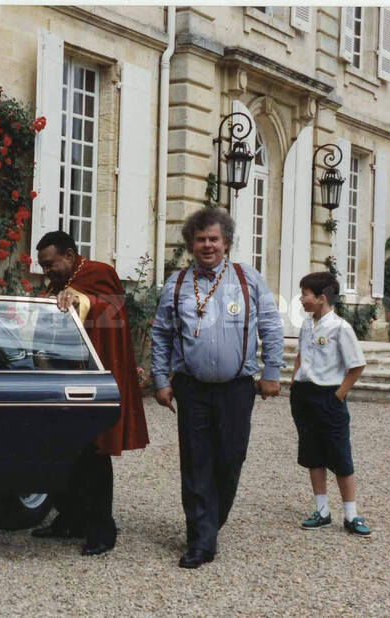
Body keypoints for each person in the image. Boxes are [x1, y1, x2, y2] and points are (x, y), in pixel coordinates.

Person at [151, 207, 284, 569]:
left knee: (229, 459)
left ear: (226, 242)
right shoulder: (176, 283)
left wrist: (271, 372)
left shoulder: (248, 279)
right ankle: (200, 538)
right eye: (200, 239)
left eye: (214, 239)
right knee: (196, 462)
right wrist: (161, 380)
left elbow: (271, 327)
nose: (207, 245)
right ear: (191, 244)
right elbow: (161, 335)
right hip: (191, 387)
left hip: (237, 388)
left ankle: (211, 524)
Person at [31, 230, 149, 556]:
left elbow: (113, 318)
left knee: (94, 457)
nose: (46, 272)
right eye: (42, 266)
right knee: (62, 454)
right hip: (62, 378)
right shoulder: (59, 283)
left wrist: (82, 300)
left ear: (70, 255)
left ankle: (102, 529)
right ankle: (69, 520)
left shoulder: (101, 273)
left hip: (92, 382)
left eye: (50, 264)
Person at [290, 271, 370, 537]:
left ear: (322, 298)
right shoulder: (305, 325)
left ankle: (351, 514)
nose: (301, 299)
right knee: (313, 453)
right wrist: (295, 380)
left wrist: (338, 395)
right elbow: (302, 354)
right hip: (305, 396)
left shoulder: (340, 328)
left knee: (339, 454)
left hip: (328, 397)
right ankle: (322, 510)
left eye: (305, 294)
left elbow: (356, 365)